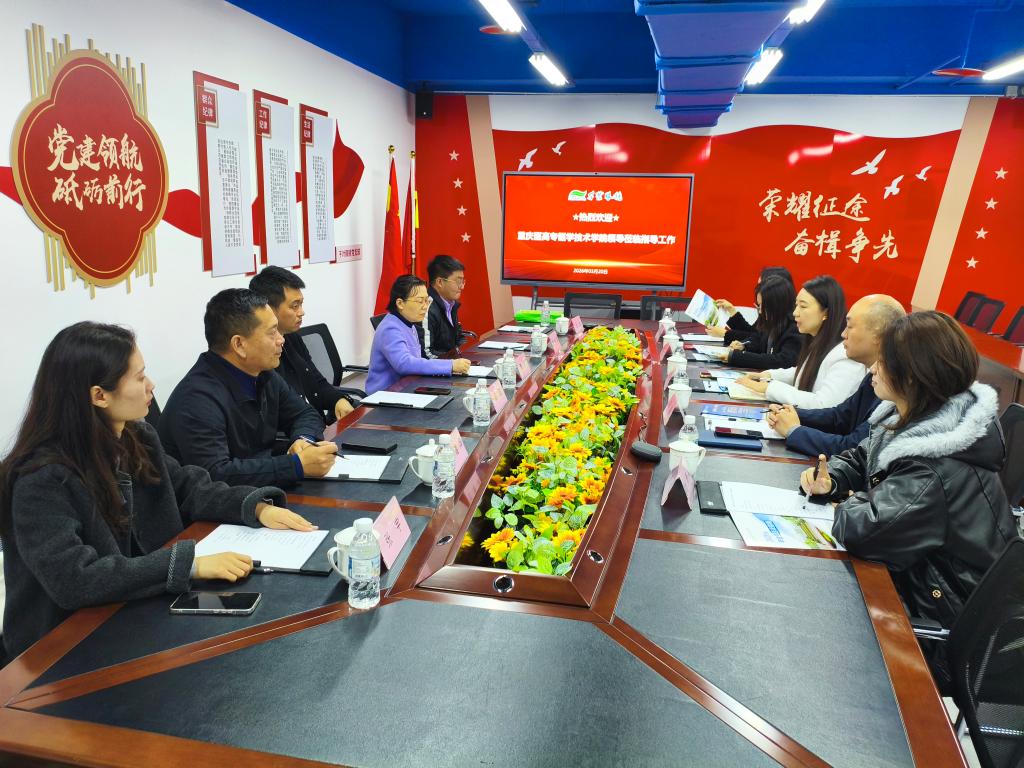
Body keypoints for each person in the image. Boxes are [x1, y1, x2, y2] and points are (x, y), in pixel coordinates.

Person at [0, 323, 316, 658]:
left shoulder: (136, 436)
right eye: (139, 378)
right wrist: (190, 564)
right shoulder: (40, 479)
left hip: (141, 609)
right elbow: (75, 579)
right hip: (64, 646)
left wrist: (255, 507)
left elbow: (188, 486)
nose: (151, 385)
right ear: (99, 396)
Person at [801, 311, 1017, 683]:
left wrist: (847, 501)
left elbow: (864, 530)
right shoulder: (918, 415)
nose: (873, 370)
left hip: (945, 631)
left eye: (883, 363)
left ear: (912, 376)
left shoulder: (936, 465)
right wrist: (832, 479)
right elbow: (861, 457)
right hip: (912, 588)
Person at [159, 289, 338, 488]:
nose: (281, 339)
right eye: (272, 332)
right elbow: (215, 474)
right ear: (239, 344)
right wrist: (296, 465)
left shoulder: (262, 373)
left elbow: (304, 413)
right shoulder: (196, 400)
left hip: (260, 489)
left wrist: (303, 439)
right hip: (218, 503)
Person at [767, 295, 905, 456]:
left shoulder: (893, 391)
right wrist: (791, 413)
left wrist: (794, 431)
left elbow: (854, 447)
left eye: (850, 326)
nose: (843, 334)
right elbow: (840, 416)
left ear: (878, 334)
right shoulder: (873, 375)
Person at [249, 266, 360, 427]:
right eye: (295, 306)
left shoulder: (292, 337)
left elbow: (317, 382)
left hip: (315, 426)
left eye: (301, 304)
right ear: (269, 309)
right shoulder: (259, 354)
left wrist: (339, 399)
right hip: (297, 435)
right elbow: (278, 415)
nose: (302, 312)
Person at [735, 275, 864, 408]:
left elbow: (824, 404)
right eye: (796, 305)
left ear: (826, 312)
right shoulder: (818, 341)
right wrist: (768, 375)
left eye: (803, 306)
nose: (795, 313)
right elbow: (802, 372)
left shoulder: (844, 355)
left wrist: (769, 388)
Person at [366, 275, 471, 395]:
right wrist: (450, 365)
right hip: (385, 395)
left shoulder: (409, 323)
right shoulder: (390, 328)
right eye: (420, 301)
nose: (425, 307)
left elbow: (417, 360)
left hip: (407, 387)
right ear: (400, 303)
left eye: (427, 301)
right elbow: (405, 364)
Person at [711, 276, 800, 369]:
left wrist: (737, 357)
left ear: (777, 304)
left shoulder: (795, 328)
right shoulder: (773, 321)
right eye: (759, 305)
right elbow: (758, 338)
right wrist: (744, 346)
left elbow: (782, 361)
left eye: (763, 306)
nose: (760, 311)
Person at [426, 254, 469, 357]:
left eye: (463, 281)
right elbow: (426, 354)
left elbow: (457, 340)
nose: (462, 287)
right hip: (438, 366)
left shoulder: (451, 304)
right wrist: (453, 363)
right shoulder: (426, 308)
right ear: (440, 282)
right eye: (458, 281)